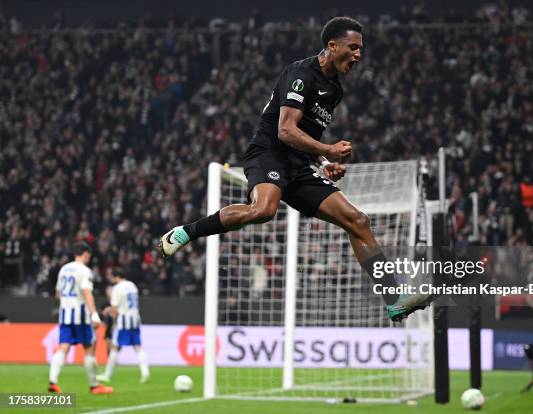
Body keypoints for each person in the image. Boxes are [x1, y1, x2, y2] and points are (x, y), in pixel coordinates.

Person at [158, 16, 434, 321]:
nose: (358, 55)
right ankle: (185, 232)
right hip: (269, 154)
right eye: (353, 47)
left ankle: (394, 298)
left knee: (358, 220)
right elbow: (286, 131)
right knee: (264, 209)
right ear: (332, 46)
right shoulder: (300, 74)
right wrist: (328, 150)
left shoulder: (334, 90)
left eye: (360, 49)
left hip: (299, 166)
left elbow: (308, 138)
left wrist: (325, 162)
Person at [48, 242, 113, 394]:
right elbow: (86, 292)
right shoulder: (85, 271)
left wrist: (67, 303)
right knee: (89, 348)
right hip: (81, 316)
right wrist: (94, 314)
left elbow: (58, 294)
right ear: (85, 254)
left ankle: (53, 382)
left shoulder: (63, 269)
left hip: (65, 315)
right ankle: (94, 386)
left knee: (63, 347)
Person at [97, 268, 150, 383]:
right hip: (135, 319)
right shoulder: (132, 285)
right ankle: (145, 372)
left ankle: (107, 375)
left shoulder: (117, 288)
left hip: (124, 321)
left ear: (116, 277)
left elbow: (115, 308)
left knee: (115, 347)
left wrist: (107, 311)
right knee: (137, 346)